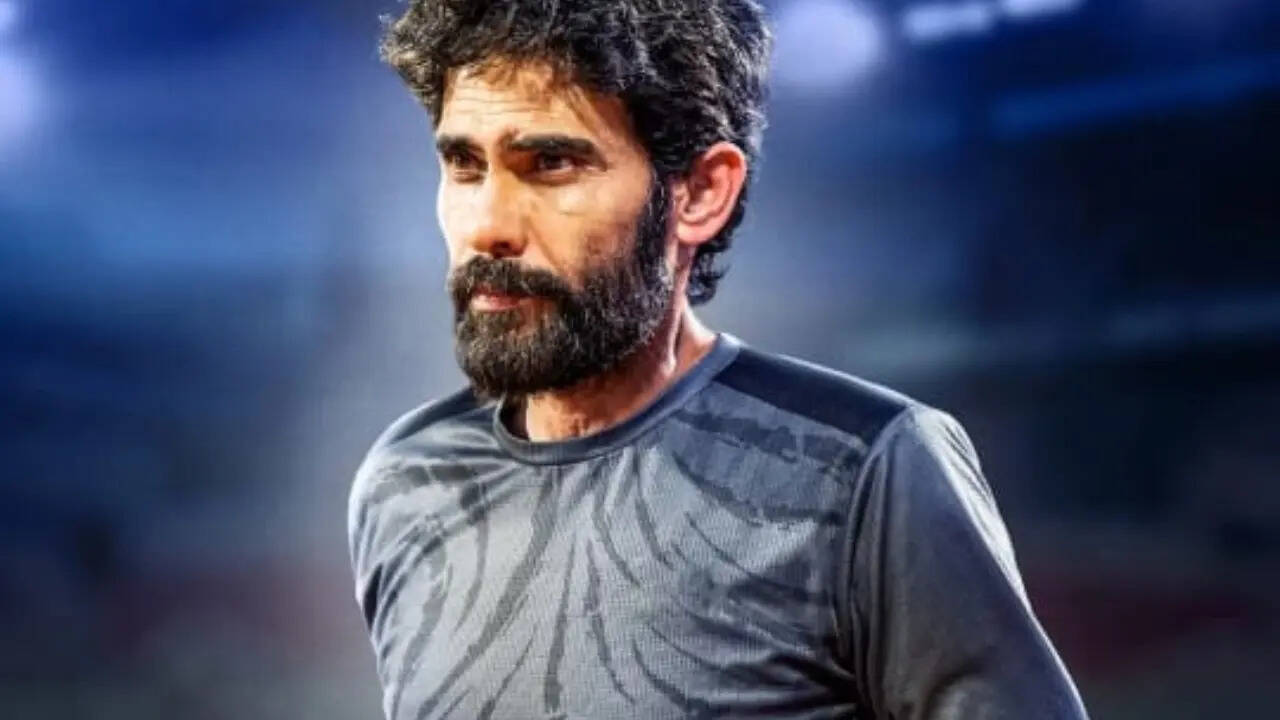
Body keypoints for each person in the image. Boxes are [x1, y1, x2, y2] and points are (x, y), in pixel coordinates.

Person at [347, 1, 1090, 718]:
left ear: (701, 193)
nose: (486, 225)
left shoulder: (866, 469)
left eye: (550, 163)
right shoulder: (405, 480)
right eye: (464, 164)